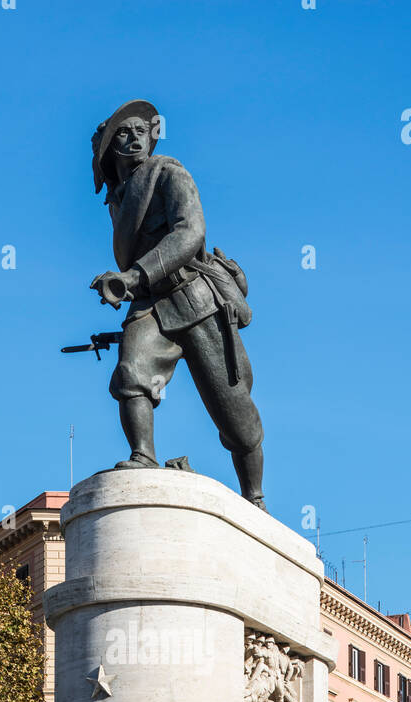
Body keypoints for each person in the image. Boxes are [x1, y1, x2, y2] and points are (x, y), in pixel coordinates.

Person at [89, 99, 266, 508]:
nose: (132, 138)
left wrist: (133, 276)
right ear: (108, 151)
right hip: (151, 301)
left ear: (153, 133)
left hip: (196, 299)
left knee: (236, 419)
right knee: (131, 374)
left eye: (138, 130)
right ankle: (143, 455)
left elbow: (190, 232)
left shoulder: (169, 172)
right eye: (121, 134)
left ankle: (254, 498)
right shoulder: (117, 200)